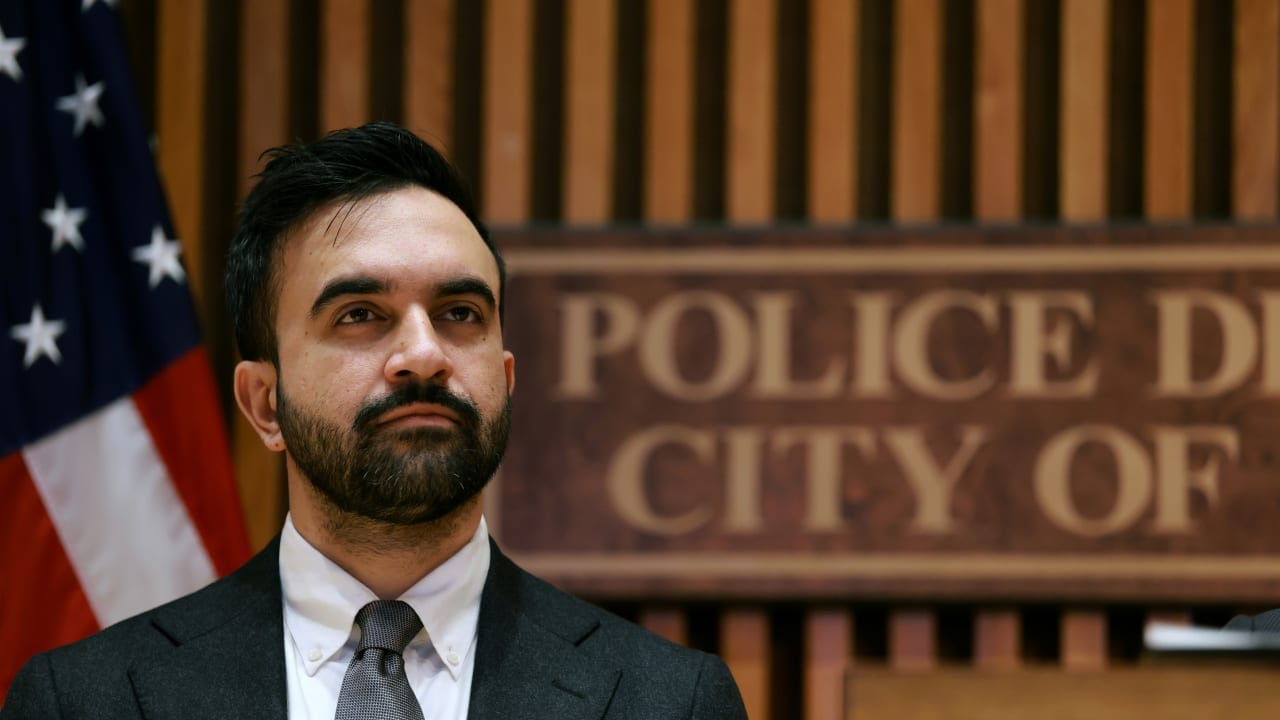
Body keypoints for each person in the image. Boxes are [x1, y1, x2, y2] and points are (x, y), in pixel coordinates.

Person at [1, 122, 747, 719]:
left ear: (507, 380)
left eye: (460, 314)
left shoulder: (671, 702)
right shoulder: (84, 701)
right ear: (266, 404)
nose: (422, 355)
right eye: (361, 315)